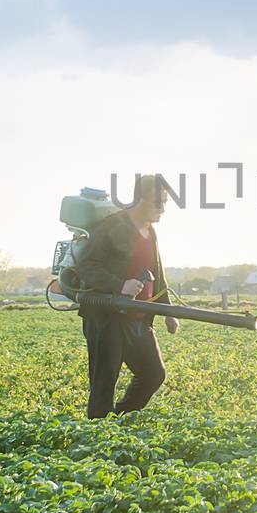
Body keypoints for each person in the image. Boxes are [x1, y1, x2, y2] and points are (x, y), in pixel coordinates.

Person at [75, 173, 180, 419]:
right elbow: (87, 267)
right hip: (107, 319)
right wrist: (120, 284)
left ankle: (119, 420)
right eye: (158, 201)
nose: (163, 208)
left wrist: (169, 312)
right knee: (104, 385)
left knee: (153, 374)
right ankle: (98, 436)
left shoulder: (150, 232)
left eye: (165, 202)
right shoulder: (113, 226)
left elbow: (157, 273)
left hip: (139, 320)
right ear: (140, 198)